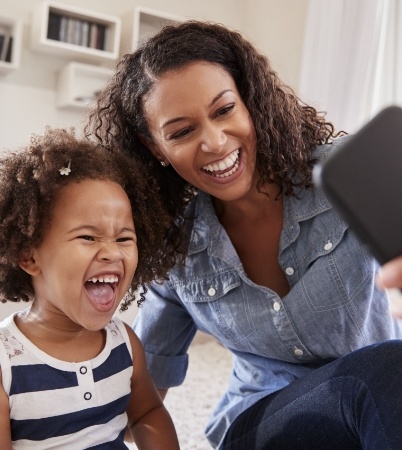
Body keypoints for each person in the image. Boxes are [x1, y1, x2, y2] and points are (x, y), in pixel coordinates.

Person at [85, 20, 402, 450]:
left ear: (250, 101)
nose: (215, 143)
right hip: (266, 423)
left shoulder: (346, 174)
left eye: (223, 110)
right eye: (181, 132)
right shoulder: (173, 246)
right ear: (154, 147)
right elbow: (146, 390)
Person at [0, 128, 180, 449]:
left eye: (124, 238)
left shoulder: (123, 343)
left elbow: (147, 414)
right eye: (88, 237)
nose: (113, 252)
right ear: (29, 256)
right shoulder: (6, 362)